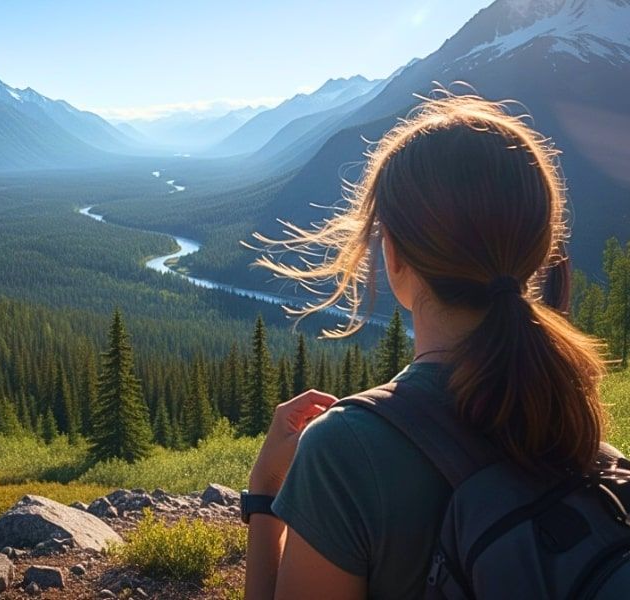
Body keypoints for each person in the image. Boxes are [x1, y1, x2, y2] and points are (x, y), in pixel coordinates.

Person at [242, 92, 607, 599]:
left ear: (394, 255)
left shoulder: (345, 452)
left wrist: (264, 496)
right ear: (538, 251)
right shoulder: (572, 421)